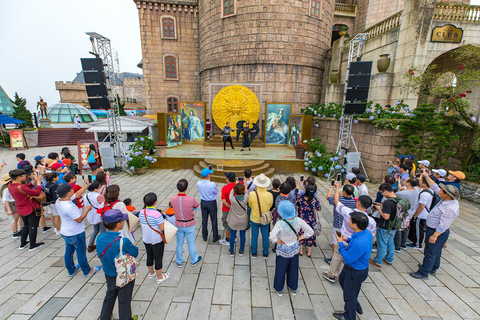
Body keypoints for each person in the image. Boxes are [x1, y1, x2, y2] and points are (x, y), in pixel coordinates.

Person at [323, 182, 376, 285]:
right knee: (353, 259)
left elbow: (337, 202)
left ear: (358, 203)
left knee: (337, 257)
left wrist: (337, 189)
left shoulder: (349, 213)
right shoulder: (372, 221)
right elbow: (371, 235)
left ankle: (332, 274)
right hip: (357, 244)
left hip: (344, 239)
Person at [410, 172, 460, 279]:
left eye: (442, 190)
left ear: (446, 194)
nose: (439, 191)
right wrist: (427, 176)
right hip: (433, 229)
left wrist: (435, 235)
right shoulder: (447, 199)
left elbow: (443, 225)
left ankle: (423, 272)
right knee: (436, 250)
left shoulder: (450, 208)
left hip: (436, 232)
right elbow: (435, 186)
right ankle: (433, 267)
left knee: (430, 251)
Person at [96, 209, 139, 320]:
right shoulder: (123, 241)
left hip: (109, 273)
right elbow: (135, 252)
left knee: (110, 295)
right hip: (122, 274)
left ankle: (104, 317)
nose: (124, 222)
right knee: (124, 300)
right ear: (118, 224)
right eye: (122, 220)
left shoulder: (100, 238)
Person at [332, 212, 373, 320]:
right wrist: (347, 239)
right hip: (357, 268)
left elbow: (348, 258)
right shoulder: (366, 234)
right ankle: (356, 304)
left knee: (349, 295)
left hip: (354, 270)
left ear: (355, 225)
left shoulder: (359, 243)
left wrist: (340, 243)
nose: (348, 222)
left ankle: (349, 316)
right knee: (343, 281)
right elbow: (355, 244)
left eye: (350, 221)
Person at [56, 183, 101, 278]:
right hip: (75, 233)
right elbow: (79, 219)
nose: (73, 191)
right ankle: (87, 271)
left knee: (69, 251)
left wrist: (86, 185)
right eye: (72, 190)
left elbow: (76, 194)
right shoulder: (69, 207)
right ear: (68, 193)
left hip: (66, 232)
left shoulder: (59, 201)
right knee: (81, 252)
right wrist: (87, 209)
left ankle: (71, 270)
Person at [269, 201, 313, 296]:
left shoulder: (280, 223)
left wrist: (277, 241)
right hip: (294, 248)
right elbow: (310, 231)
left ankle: (279, 288)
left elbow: (271, 236)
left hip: (283, 249)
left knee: (280, 269)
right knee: (293, 268)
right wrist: (301, 237)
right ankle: (293, 287)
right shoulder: (299, 220)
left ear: (281, 213)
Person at [8, 169, 44, 251]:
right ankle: (33, 245)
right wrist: (38, 182)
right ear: (18, 178)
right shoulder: (21, 186)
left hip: (21, 208)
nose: (25, 177)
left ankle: (23, 243)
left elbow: (27, 187)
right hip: (30, 208)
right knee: (33, 226)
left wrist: (35, 180)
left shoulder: (11, 185)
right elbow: (37, 192)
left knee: (25, 226)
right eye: (23, 176)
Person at [170, 179, 202, 267]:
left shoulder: (172, 199)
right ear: (187, 188)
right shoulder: (191, 199)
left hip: (178, 223)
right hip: (189, 224)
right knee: (191, 243)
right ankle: (194, 260)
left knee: (179, 243)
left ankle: (179, 261)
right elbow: (198, 207)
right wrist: (193, 209)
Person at [138, 193, 169, 283]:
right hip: (156, 239)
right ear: (155, 202)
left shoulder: (141, 212)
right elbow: (162, 228)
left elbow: (140, 223)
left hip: (146, 239)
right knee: (158, 258)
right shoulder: (157, 214)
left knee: (149, 256)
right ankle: (160, 277)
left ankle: (151, 273)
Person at [325, 184, 356, 264]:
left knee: (335, 240)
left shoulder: (339, 201)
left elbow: (328, 198)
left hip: (338, 224)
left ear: (344, 192)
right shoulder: (354, 202)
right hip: (349, 225)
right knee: (347, 240)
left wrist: (332, 190)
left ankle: (334, 257)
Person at [370, 183, 397, 269]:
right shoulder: (398, 200)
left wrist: (379, 209)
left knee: (381, 244)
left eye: (382, 192)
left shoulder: (388, 203)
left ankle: (378, 261)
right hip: (394, 225)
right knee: (390, 242)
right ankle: (389, 259)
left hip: (385, 226)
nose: (382, 194)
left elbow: (386, 216)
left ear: (386, 191)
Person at [249, 174, 273, 259]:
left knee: (254, 236)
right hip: (265, 219)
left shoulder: (252, 194)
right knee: (265, 236)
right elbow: (270, 205)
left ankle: (254, 252)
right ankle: (265, 253)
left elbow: (250, 205)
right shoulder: (269, 195)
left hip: (254, 218)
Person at [407, 176, 433, 250]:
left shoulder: (425, 194)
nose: (419, 182)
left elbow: (421, 206)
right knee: (416, 229)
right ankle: (414, 240)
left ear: (424, 183)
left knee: (419, 230)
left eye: (421, 181)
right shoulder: (428, 190)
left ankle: (418, 244)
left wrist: (415, 215)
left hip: (421, 215)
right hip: (422, 214)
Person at [394, 177, 419, 252]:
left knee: (398, 228)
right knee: (405, 228)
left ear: (408, 183)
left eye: (405, 181)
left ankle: (397, 246)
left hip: (401, 213)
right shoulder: (417, 191)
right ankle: (403, 244)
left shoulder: (401, 193)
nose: (403, 181)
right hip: (410, 212)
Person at [297, 185, 321, 257]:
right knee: (311, 234)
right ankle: (309, 252)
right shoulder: (315, 200)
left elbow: (297, 202)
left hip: (301, 219)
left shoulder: (300, 198)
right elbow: (319, 208)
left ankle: (300, 250)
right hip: (311, 220)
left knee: (300, 233)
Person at [85, 175, 108, 252]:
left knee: (95, 230)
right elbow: (104, 205)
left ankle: (90, 244)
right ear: (95, 188)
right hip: (99, 215)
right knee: (102, 230)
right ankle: (102, 245)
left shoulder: (85, 196)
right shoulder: (99, 196)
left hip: (91, 215)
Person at [197, 168, 220, 242]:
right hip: (211, 202)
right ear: (207, 176)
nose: (211, 174)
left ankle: (204, 236)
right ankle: (215, 236)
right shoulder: (212, 184)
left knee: (204, 219)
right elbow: (215, 192)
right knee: (213, 219)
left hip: (203, 202)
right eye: (210, 174)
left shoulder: (199, 183)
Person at [227, 182, 249, 257]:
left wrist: (235, 185)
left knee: (232, 235)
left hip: (234, 220)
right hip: (243, 220)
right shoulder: (246, 198)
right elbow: (246, 191)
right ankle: (241, 250)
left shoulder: (232, 199)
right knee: (242, 235)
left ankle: (231, 251)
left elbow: (231, 191)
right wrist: (244, 184)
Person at [1, 173, 23, 238]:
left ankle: (21, 229)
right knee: (14, 220)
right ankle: (15, 232)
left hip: (15, 203)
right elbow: (6, 200)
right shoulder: (6, 189)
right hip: (12, 205)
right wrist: (9, 210)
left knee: (21, 217)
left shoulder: (9, 187)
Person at [219, 172, 236, 244]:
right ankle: (234, 236)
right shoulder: (237, 187)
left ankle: (227, 238)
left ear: (228, 179)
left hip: (226, 209)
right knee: (234, 223)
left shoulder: (224, 188)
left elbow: (224, 201)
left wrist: (230, 207)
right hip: (236, 210)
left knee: (227, 224)